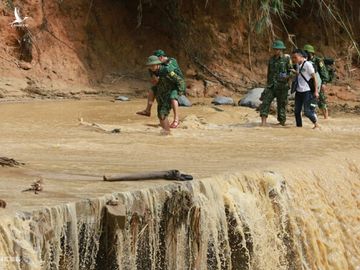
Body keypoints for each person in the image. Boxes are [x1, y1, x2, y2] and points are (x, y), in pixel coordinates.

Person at [137, 50, 186, 128]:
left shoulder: (170, 64)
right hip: (165, 84)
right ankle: (148, 110)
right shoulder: (155, 68)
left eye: (154, 64)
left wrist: (180, 91)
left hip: (176, 85)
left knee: (172, 98)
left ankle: (176, 120)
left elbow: (178, 79)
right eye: (150, 65)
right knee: (153, 90)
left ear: (160, 58)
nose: (152, 66)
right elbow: (155, 81)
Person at [259, 40, 292, 126]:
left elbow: (292, 71)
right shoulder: (271, 60)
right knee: (265, 102)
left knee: (281, 105)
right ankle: (263, 123)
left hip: (282, 86)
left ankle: (281, 123)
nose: (276, 51)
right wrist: (267, 85)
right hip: (271, 85)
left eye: (277, 49)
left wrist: (287, 77)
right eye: (275, 49)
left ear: (281, 50)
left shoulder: (287, 59)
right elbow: (269, 73)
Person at [291, 49, 320, 129]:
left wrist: (316, 91)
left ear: (301, 56)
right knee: (297, 111)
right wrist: (294, 72)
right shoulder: (297, 65)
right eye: (292, 58)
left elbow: (314, 78)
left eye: (295, 57)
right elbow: (300, 74)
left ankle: (316, 123)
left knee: (307, 112)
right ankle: (299, 127)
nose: (293, 59)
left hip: (306, 91)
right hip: (298, 91)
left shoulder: (308, 65)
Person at [303, 44, 330, 119]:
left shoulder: (318, 60)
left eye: (306, 52)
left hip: (318, 83)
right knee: (310, 100)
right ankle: (312, 116)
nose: (305, 54)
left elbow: (323, 71)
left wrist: (324, 83)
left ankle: (326, 117)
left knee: (321, 100)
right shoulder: (304, 61)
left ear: (311, 53)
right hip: (308, 84)